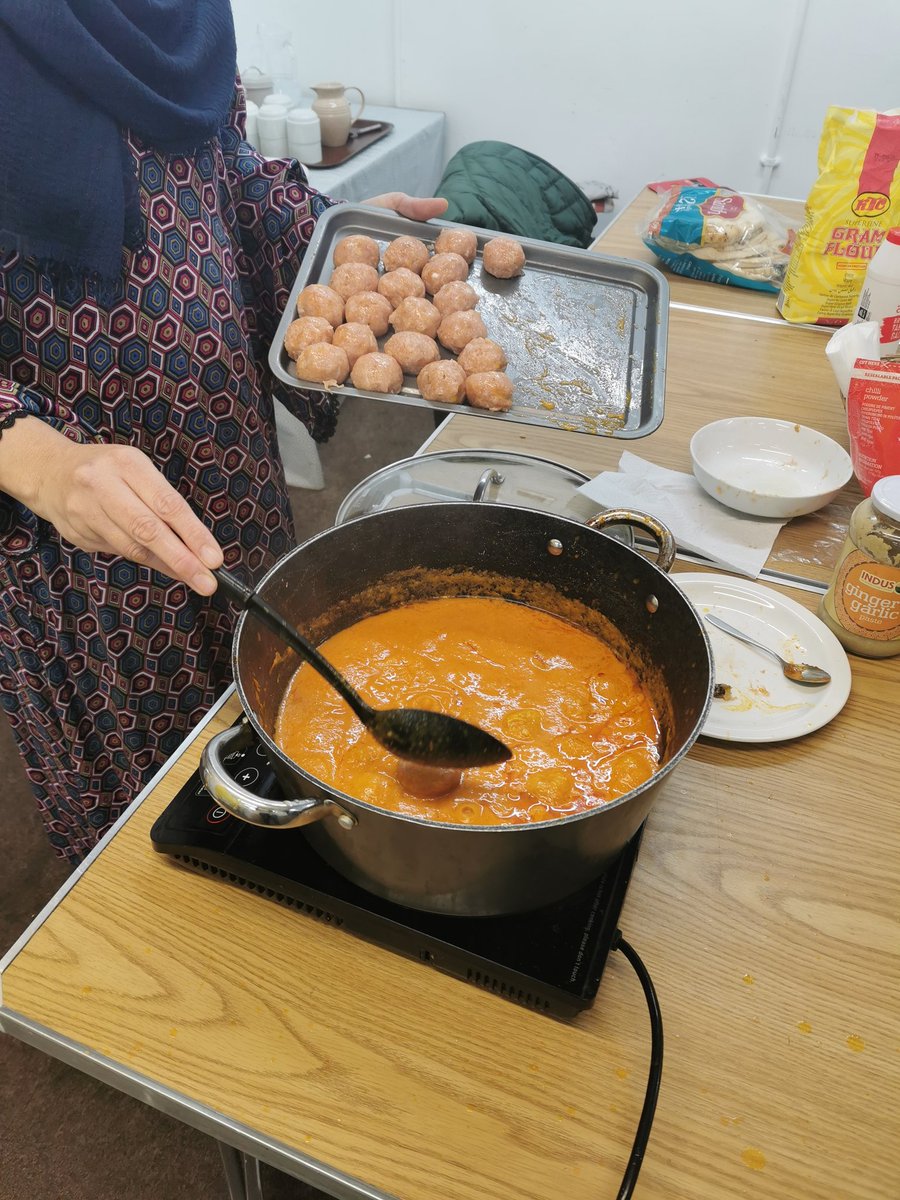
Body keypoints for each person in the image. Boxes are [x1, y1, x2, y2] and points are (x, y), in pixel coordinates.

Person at [0, 1, 447, 866]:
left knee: (273, 686)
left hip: (226, 455)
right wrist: (46, 465)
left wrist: (335, 244)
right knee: (157, 803)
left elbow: (221, 175)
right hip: (79, 527)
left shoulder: (181, 13)